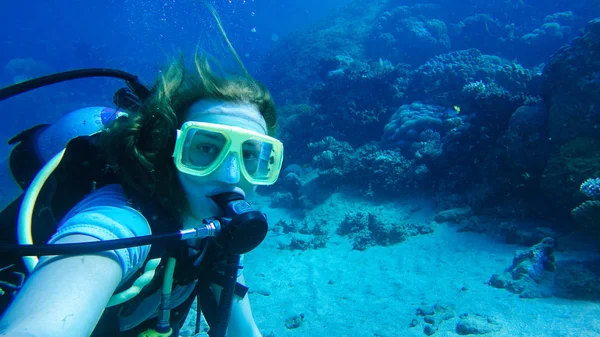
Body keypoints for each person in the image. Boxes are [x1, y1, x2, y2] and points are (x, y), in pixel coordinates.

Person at [0, 9, 283, 337]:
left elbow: (244, 330)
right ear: (169, 150)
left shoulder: (217, 232)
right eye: (206, 148)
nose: (232, 176)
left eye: (252, 156)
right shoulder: (122, 220)